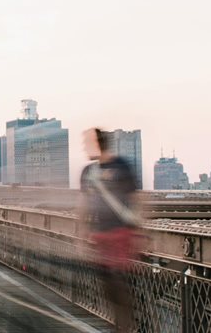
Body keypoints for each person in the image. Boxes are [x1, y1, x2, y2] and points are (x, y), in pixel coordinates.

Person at [79, 128, 141, 333]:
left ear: (98, 143)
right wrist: (82, 231)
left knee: (117, 281)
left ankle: (126, 326)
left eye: (87, 143)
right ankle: (120, 325)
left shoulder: (120, 166)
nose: (85, 147)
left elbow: (135, 198)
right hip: (100, 235)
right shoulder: (88, 172)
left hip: (120, 232)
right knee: (107, 285)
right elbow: (85, 203)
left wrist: (139, 231)